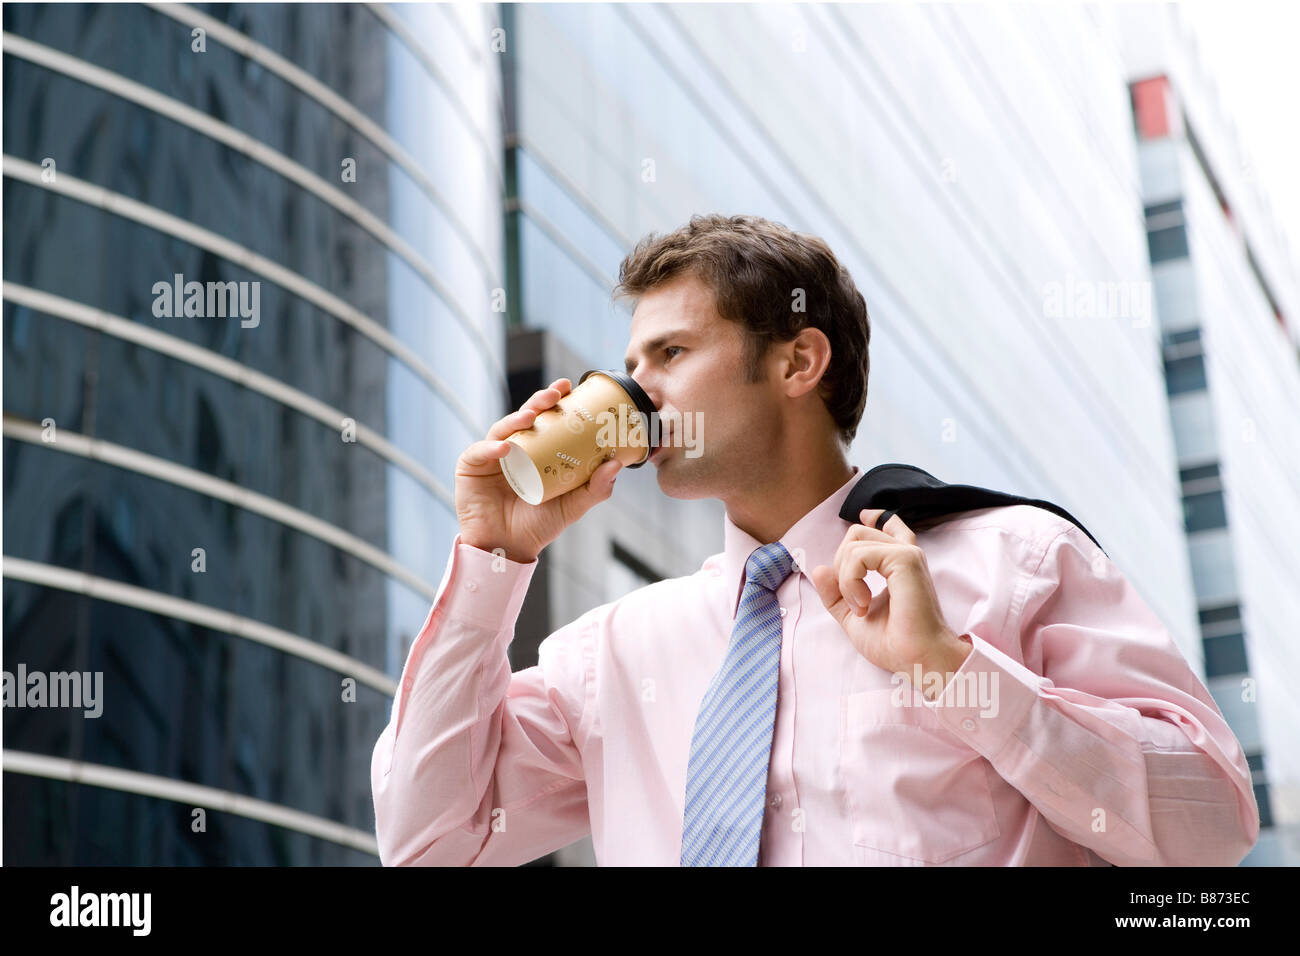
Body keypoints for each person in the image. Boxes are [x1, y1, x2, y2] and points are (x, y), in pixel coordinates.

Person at [370, 213, 1259, 866]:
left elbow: (1212, 827)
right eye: (631, 365)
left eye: (670, 355)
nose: (634, 393)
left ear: (798, 362)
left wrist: (953, 671)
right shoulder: (616, 652)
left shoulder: (1011, 560)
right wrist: (496, 555)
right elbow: (428, 838)